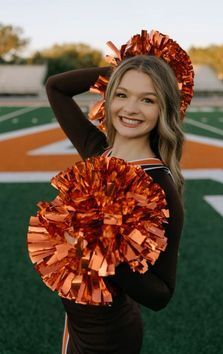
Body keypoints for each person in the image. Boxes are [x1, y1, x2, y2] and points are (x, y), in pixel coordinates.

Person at [45, 31, 192, 354]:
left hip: (108, 338)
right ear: (108, 97)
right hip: (76, 324)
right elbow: (56, 87)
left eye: (148, 99)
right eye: (122, 95)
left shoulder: (159, 185)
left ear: (163, 109)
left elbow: (162, 294)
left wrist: (105, 252)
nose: (131, 108)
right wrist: (131, 69)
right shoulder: (99, 152)